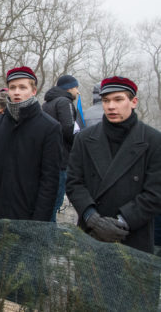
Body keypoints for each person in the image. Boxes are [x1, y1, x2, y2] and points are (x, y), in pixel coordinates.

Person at [66, 76, 161, 253]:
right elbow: (73, 182)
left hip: (133, 237)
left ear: (133, 102)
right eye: (106, 100)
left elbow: (155, 193)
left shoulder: (153, 141)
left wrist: (122, 221)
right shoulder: (85, 139)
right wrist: (92, 218)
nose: (111, 106)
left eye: (118, 100)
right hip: (91, 234)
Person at [0, 66, 62, 221]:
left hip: (28, 213)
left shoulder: (49, 127)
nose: (16, 92)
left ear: (33, 91)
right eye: (12, 87)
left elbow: (50, 180)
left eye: (22, 87)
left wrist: (40, 220)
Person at [42, 74, 80, 221]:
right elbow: (69, 129)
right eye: (76, 87)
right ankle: (49, 239)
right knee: (55, 203)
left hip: (47, 159)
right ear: (69, 88)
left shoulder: (47, 104)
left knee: (47, 203)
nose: (77, 92)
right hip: (61, 160)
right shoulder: (65, 102)